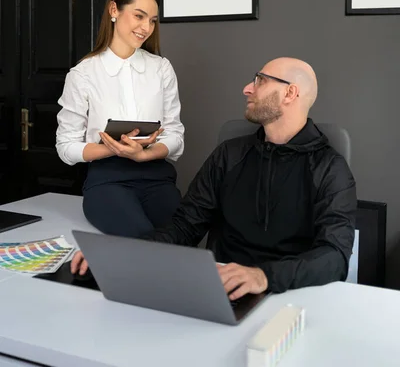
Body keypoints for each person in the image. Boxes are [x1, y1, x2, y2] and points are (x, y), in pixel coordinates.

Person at [71, 57, 356, 301]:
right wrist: (124, 252)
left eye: (260, 81)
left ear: (290, 93)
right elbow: (185, 225)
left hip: (292, 295)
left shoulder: (330, 168)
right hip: (221, 291)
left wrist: (262, 276)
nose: (248, 88)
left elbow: (334, 256)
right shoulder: (229, 155)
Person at [56, 0, 184, 237]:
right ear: (114, 10)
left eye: (153, 20)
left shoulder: (161, 68)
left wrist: (144, 155)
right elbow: (66, 147)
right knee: (141, 240)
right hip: (108, 180)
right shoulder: (83, 74)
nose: (146, 27)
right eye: (139, 16)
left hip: (158, 177)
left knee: (180, 237)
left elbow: (175, 136)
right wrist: (111, 149)